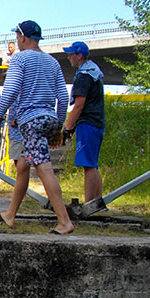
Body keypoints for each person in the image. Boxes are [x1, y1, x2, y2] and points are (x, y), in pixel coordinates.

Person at [0, 20, 74, 235]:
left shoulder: (20, 58)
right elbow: (63, 97)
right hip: (49, 118)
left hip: (31, 121)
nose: (16, 40)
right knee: (24, 165)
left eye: (17, 36)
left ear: (23, 37)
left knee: (44, 168)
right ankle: (10, 214)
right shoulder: (52, 62)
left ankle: (64, 221)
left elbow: (11, 90)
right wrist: (59, 126)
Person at [62, 41, 105, 203]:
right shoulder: (94, 71)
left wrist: (67, 127)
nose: (68, 57)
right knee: (93, 164)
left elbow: (79, 104)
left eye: (71, 54)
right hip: (96, 121)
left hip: (88, 122)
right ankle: (98, 202)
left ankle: (89, 204)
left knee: (88, 165)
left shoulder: (84, 75)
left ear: (79, 56)